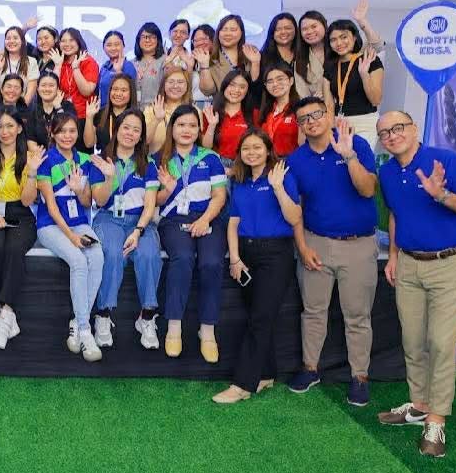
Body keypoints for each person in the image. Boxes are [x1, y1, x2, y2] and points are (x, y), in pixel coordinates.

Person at [377, 111, 456, 457]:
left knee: (441, 342)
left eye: (398, 128)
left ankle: (436, 420)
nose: (392, 135)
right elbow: (396, 215)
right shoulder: (387, 172)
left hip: (450, 264)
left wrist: (442, 195)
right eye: (384, 132)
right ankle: (420, 405)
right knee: (412, 340)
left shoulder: (445, 160)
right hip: (409, 264)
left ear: (414, 129)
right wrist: (394, 255)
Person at [285, 97, 378, 407]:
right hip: (317, 243)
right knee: (313, 311)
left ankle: (360, 376)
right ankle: (310, 368)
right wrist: (302, 247)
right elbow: (296, 210)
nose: (311, 122)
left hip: (358, 245)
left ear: (328, 116)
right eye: (304, 119)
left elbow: (368, 189)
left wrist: (348, 156)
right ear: (300, 126)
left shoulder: (355, 143)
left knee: (357, 315)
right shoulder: (296, 160)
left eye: (316, 115)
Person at [212, 131, 301, 403]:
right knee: (258, 315)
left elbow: (295, 217)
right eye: (246, 148)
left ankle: (243, 384)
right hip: (246, 253)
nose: (252, 153)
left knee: (260, 318)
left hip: (275, 254)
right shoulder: (240, 182)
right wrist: (235, 258)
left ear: (268, 150)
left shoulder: (282, 176)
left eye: (257, 147)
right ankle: (266, 373)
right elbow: (233, 223)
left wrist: (278, 188)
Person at [155, 104, 228, 362]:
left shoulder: (211, 158)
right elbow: (154, 201)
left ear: (199, 130)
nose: (187, 130)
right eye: (181, 125)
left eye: (192, 125)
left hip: (208, 217)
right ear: (172, 128)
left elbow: (219, 196)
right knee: (183, 258)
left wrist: (205, 219)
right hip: (173, 220)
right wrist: (167, 189)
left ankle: (207, 330)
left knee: (212, 263)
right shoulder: (160, 159)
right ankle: (174, 327)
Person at [88, 109, 163, 351]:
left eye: (136, 130)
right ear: (116, 129)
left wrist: (138, 230)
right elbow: (100, 201)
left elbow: (150, 205)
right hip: (108, 218)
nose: (130, 133)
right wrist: (110, 177)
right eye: (126, 127)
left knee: (149, 254)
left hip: (139, 221)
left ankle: (147, 316)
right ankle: (103, 314)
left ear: (141, 136)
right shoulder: (100, 160)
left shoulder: (148, 164)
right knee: (112, 252)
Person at [35, 112, 105, 362]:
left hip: (80, 223)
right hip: (51, 226)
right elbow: (51, 207)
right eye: (62, 131)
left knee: (97, 257)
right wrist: (72, 238)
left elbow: (87, 202)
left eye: (72, 131)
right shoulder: (45, 161)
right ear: (52, 133)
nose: (67, 136)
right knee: (78, 260)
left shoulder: (85, 160)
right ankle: (86, 332)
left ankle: (77, 321)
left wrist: (79, 189)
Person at [0, 107, 43, 349]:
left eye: (9, 126)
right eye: (0, 126)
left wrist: (33, 172)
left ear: (19, 128)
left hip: (20, 213)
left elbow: (27, 201)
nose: (4, 131)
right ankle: (7, 314)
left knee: (15, 249)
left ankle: (5, 312)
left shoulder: (29, 157)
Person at [324, 19, 384, 149]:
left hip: (365, 122)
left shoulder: (370, 60)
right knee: (339, 159)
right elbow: (328, 104)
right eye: (333, 40)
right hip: (339, 122)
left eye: (343, 37)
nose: (339, 43)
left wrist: (364, 74)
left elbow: (375, 100)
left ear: (355, 38)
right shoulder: (330, 66)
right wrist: (330, 129)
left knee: (360, 158)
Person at [196, 14, 261, 106]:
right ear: (218, 33)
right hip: (221, 110)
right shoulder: (209, 58)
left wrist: (255, 63)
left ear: (241, 33)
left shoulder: (251, 52)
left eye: (233, 30)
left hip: (248, 109)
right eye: (224, 29)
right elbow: (208, 91)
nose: (228, 33)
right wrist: (204, 66)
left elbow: (255, 88)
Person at [47, 27, 99, 125]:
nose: (67, 44)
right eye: (63, 41)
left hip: (83, 116)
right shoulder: (59, 61)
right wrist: (57, 66)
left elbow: (87, 91)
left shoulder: (88, 61)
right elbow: (50, 89)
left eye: (71, 40)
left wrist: (76, 68)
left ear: (78, 42)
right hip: (61, 113)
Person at [201, 69, 251, 167]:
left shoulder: (253, 115)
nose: (236, 90)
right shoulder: (210, 112)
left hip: (244, 166)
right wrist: (212, 125)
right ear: (224, 86)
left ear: (247, 91)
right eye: (232, 85)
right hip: (217, 164)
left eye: (242, 87)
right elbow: (205, 148)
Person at [256, 61, 302, 158]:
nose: (275, 84)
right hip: (267, 161)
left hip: (292, 161)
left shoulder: (300, 109)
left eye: (280, 79)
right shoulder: (265, 110)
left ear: (291, 81)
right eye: (270, 81)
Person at [144, 66, 194, 153]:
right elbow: (144, 141)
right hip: (157, 160)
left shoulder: (194, 111)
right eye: (171, 82)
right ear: (163, 85)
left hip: (187, 160)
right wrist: (157, 119)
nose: (175, 86)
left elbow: (202, 145)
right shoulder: (151, 110)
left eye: (180, 82)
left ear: (187, 86)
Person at [0, 25, 39, 99]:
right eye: (8, 38)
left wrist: (22, 105)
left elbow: (31, 91)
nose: (11, 41)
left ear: (23, 41)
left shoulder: (31, 62)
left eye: (15, 38)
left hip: (20, 103)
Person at [84, 73, 137, 152]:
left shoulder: (137, 117)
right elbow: (89, 143)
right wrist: (89, 117)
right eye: (115, 89)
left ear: (131, 93)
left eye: (123, 90)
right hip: (104, 158)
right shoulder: (101, 114)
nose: (118, 94)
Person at [26, 71, 75, 148]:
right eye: (43, 85)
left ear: (57, 89)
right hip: (40, 154)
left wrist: (58, 107)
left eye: (51, 85)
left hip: (63, 152)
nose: (47, 89)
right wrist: (40, 154)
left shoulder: (68, 106)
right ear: (37, 89)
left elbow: (69, 132)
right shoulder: (32, 109)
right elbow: (30, 139)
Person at [97, 30, 138, 105]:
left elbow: (130, 92)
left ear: (123, 46)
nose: (113, 48)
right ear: (103, 47)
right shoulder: (104, 67)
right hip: (103, 110)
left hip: (121, 110)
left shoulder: (128, 66)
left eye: (117, 44)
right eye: (109, 45)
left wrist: (118, 72)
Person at [132, 22, 166, 105]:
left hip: (156, 109)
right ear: (138, 40)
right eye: (144, 37)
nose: (147, 40)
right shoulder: (132, 63)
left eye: (152, 37)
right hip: (134, 110)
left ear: (158, 40)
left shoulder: (165, 61)